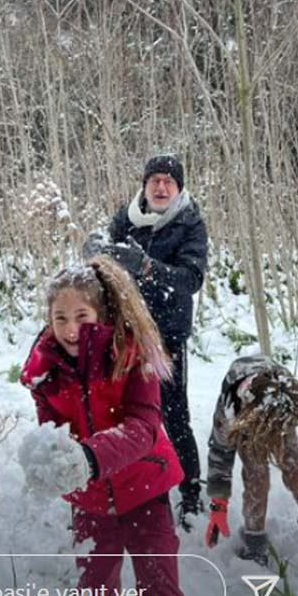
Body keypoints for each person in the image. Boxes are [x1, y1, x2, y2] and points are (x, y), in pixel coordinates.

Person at [19, 257, 193, 596]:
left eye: (81, 315)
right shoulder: (44, 372)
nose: (70, 328)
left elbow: (144, 427)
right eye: (59, 317)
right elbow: (51, 431)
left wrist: (89, 457)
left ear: (101, 312)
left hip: (146, 489)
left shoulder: (132, 354)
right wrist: (46, 461)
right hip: (90, 500)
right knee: (93, 593)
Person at [86, 154, 208, 529]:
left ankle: (190, 493)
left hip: (165, 339)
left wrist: (148, 268)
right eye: (154, 180)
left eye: (168, 182)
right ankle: (134, 485)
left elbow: (192, 279)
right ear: (144, 184)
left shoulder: (190, 223)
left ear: (179, 188)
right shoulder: (126, 218)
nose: (160, 187)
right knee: (128, 415)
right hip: (125, 335)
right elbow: (102, 258)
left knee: (174, 417)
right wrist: (95, 251)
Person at [205, 354, 298, 566]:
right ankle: (254, 538)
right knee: (255, 474)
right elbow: (220, 455)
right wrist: (219, 504)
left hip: (276, 410)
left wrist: (282, 430)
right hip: (250, 419)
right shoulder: (229, 413)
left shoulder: (287, 395)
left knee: (294, 467)